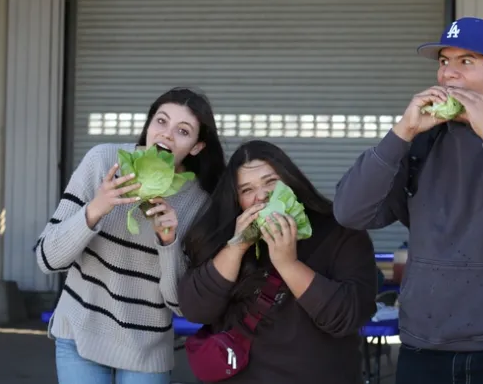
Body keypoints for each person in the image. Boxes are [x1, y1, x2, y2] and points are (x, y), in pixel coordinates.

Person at [333, 17, 483, 384]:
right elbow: (350, 211)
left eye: (466, 62)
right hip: (424, 347)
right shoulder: (421, 140)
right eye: (444, 62)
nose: (448, 74)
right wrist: (402, 132)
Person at [35, 87, 226, 384]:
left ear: (197, 147)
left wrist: (168, 243)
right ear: (148, 124)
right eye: (161, 122)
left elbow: (179, 304)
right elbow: (47, 258)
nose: (166, 135)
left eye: (183, 131)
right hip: (79, 333)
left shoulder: (198, 203)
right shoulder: (102, 162)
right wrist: (95, 208)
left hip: (146, 349)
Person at [178, 140, 378, 384]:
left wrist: (288, 264)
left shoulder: (340, 231)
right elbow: (196, 310)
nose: (261, 196)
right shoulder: (222, 237)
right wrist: (237, 246)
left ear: (290, 180)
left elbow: (348, 317)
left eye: (270, 182)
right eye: (246, 190)